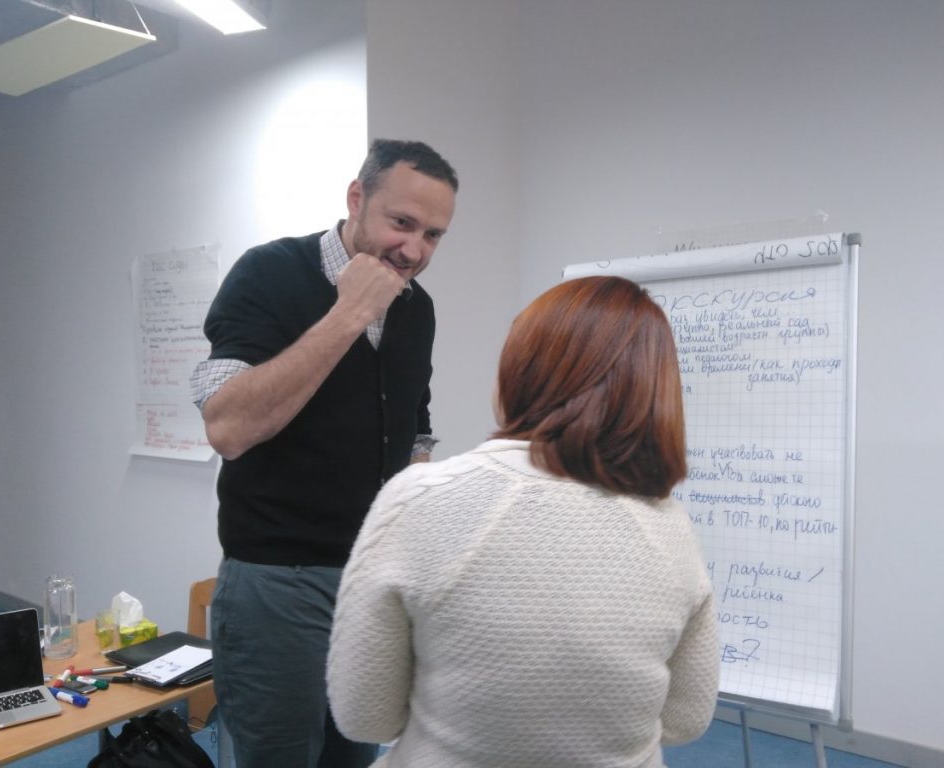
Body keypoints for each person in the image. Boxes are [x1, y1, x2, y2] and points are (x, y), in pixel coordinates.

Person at [327, 276, 720, 768]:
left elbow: (365, 718)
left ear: (521, 374)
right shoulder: (669, 526)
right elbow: (685, 720)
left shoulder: (416, 498)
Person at [190, 139, 459, 768]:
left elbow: (413, 431)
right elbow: (228, 427)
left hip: (371, 581)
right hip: (277, 582)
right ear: (357, 198)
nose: (414, 250)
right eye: (401, 223)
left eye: (433, 235)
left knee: (354, 754)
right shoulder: (268, 272)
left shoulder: (417, 309)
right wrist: (350, 312)